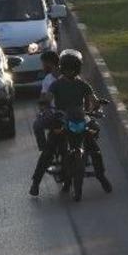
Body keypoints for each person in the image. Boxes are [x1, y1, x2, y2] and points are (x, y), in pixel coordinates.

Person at [29, 48, 111, 196]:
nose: (69, 72)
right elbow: (47, 98)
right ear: (62, 68)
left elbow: (92, 99)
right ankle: (36, 182)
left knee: (94, 148)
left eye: (73, 69)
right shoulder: (56, 84)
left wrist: (97, 104)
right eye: (66, 69)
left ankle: (101, 176)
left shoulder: (83, 85)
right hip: (61, 119)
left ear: (77, 69)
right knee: (49, 150)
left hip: (80, 119)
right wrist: (45, 104)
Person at [32, 50, 60, 152]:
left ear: (49, 63)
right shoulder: (47, 79)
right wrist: (44, 110)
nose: (42, 66)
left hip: (68, 113)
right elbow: (43, 99)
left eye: (43, 63)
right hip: (54, 114)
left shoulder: (68, 77)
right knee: (37, 125)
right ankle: (45, 151)